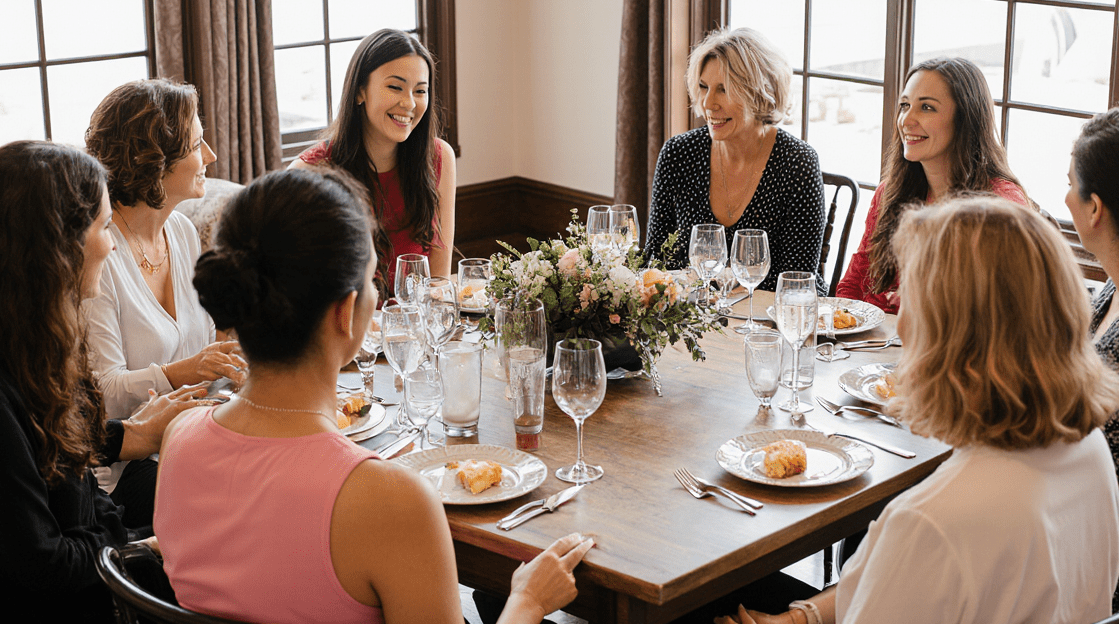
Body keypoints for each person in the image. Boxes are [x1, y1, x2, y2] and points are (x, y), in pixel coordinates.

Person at [153, 168, 592, 623]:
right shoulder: (388, 499)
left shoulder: (178, 441)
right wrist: (528, 602)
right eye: (371, 283)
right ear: (346, 311)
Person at [717, 197, 1119, 624]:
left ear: (947, 336)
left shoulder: (933, 524)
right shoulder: (1087, 452)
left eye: (908, 295)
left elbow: (916, 566)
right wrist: (802, 618)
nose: (901, 320)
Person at [0, 141, 206, 622]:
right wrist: (138, 546)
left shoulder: (37, 344)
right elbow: (43, 565)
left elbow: (49, 458)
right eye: (102, 226)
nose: (111, 243)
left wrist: (125, 436)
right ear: (60, 246)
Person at [83, 79, 246, 527]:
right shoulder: (98, 255)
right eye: (197, 143)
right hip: (123, 470)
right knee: (245, 500)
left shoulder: (182, 233)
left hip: (188, 438)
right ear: (153, 164)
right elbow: (102, 397)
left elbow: (209, 347)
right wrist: (182, 373)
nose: (210, 155)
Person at [836, 57, 1029, 314]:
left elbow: (997, 315)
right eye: (905, 105)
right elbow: (852, 285)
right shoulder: (889, 192)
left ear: (965, 119)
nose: (906, 120)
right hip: (874, 350)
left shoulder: (1000, 204)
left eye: (926, 108)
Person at [644, 27, 826, 294]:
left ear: (759, 94)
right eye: (704, 87)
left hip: (772, 321)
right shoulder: (678, 154)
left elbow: (798, 281)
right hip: (693, 316)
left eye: (724, 90)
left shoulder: (798, 163)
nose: (708, 103)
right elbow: (657, 259)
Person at [291, 28, 456, 298]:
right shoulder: (309, 172)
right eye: (395, 87)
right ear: (359, 92)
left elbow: (437, 284)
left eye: (420, 91)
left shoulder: (439, 158)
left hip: (416, 333)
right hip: (348, 335)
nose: (409, 103)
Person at [1065, 106, 1119, 611]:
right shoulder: (1109, 289)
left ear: (1095, 208)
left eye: (1070, 186)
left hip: (1093, 539)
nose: (1065, 200)